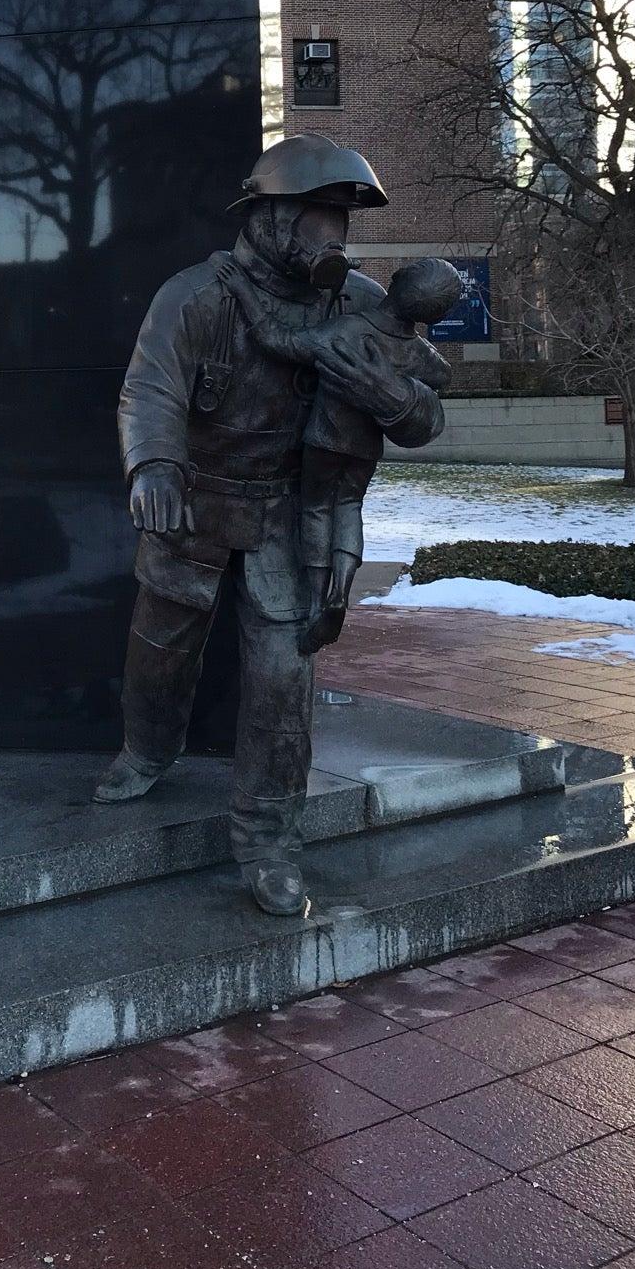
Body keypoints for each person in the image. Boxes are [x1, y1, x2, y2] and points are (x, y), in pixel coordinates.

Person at [92, 133, 446, 917]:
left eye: (341, 219)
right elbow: (148, 391)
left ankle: (269, 841)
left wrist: (387, 397)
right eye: (317, 215)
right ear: (269, 215)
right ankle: (147, 749)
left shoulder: (363, 306)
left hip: (299, 515)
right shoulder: (196, 297)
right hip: (197, 504)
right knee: (161, 646)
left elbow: (424, 416)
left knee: (285, 682)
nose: (334, 235)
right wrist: (153, 467)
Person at [218, 257, 462, 652]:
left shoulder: (347, 330)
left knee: (315, 509)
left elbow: (276, 339)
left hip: (325, 439)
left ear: (396, 280)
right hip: (365, 447)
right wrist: (398, 377)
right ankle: (341, 590)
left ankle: (318, 600)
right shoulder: (417, 351)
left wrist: (243, 290)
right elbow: (443, 375)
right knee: (349, 506)